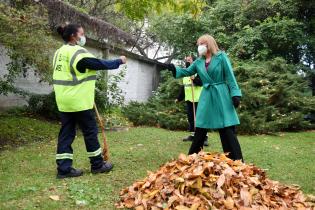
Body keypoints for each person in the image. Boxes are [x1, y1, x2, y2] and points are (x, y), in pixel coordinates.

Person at [53, 23, 127, 179]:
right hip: (78, 101)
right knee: (90, 132)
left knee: (66, 134)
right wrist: (119, 61)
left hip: (63, 101)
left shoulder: (59, 52)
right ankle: (97, 165)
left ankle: (64, 169)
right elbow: (99, 64)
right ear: (74, 35)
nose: (83, 36)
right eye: (82, 33)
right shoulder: (77, 53)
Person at [167, 34, 243, 161]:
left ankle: (236, 161)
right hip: (206, 95)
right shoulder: (198, 62)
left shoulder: (221, 57)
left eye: (202, 43)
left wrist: (236, 94)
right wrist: (174, 69)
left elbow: (230, 76)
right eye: (198, 44)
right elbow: (186, 72)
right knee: (201, 127)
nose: (199, 46)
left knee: (227, 128)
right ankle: (192, 159)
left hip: (221, 94)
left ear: (209, 44)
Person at [175, 56, 208, 146]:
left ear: (194, 61)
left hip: (198, 99)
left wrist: (195, 78)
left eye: (189, 60)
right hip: (189, 99)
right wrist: (179, 98)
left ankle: (205, 138)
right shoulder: (185, 74)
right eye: (186, 60)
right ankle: (193, 135)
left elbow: (201, 83)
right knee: (191, 118)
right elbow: (184, 87)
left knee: (200, 118)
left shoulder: (199, 71)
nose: (187, 61)